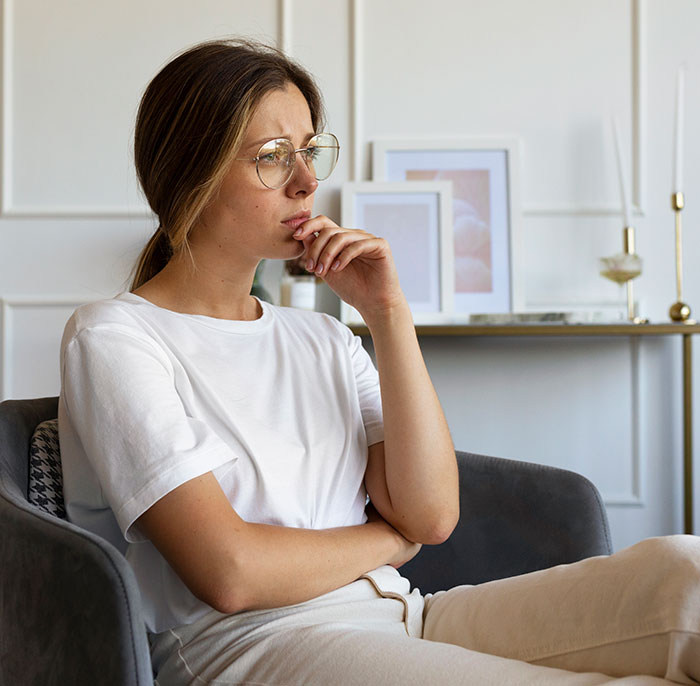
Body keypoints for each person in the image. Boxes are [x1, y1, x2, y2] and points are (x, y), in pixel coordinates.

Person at [58, 38, 700, 685]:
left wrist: (389, 314)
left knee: (684, 573)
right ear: (189, 170)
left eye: (309, 150)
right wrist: (388, 543)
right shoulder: (115, 336)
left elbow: (430, 514)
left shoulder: (324, 338)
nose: (308, 181)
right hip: (250, 647)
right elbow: (230, 573)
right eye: (273, 158)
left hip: (402, 614)